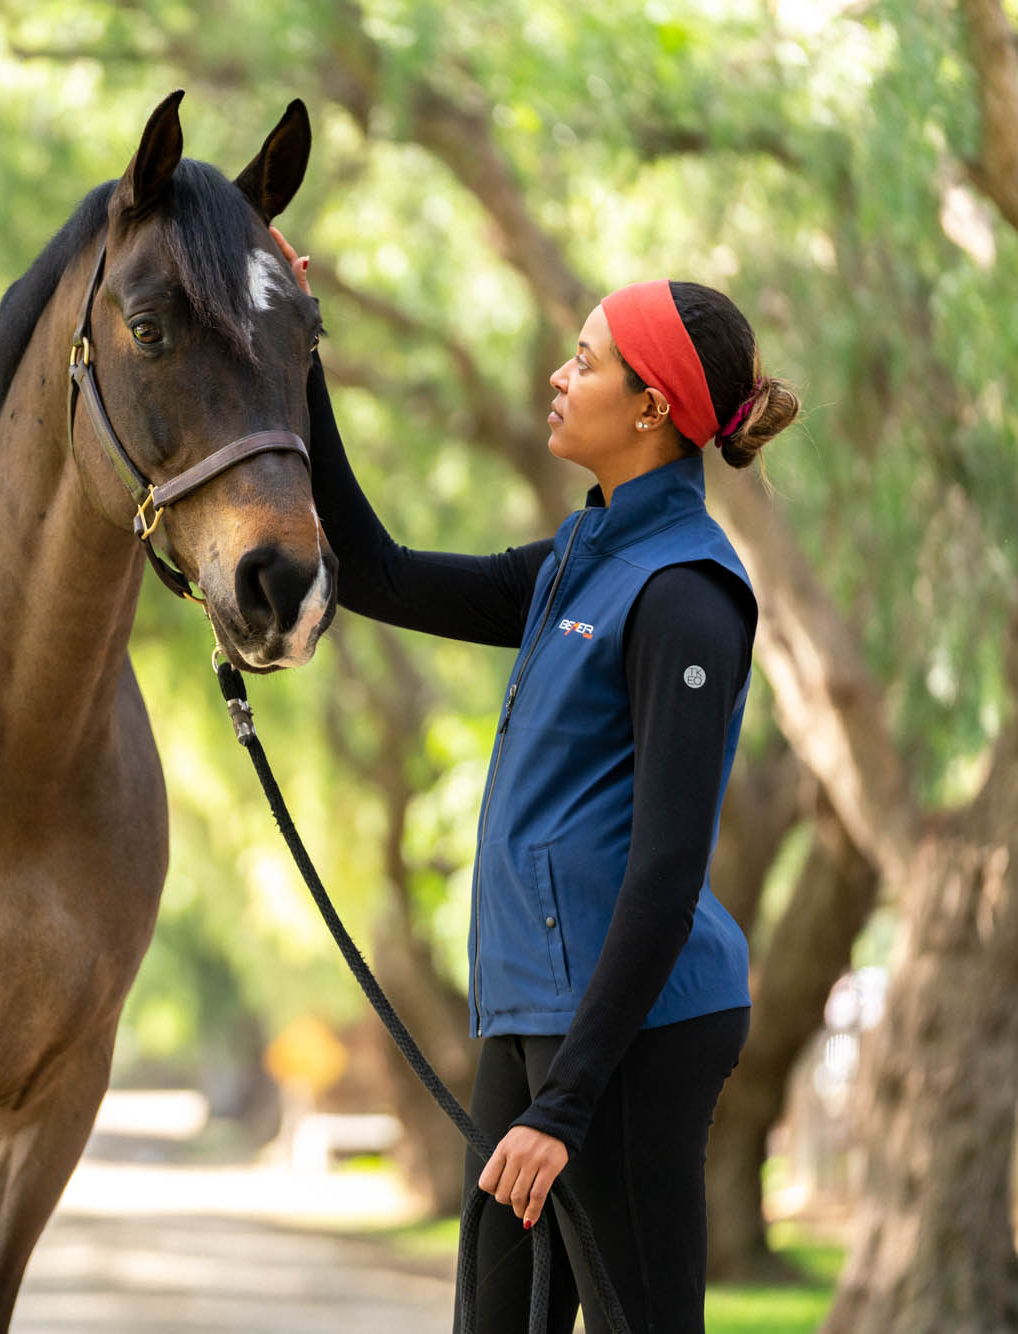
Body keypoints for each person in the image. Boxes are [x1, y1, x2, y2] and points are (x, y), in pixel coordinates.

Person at [267, 227, 799, 1334]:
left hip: (630, 1031)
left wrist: (565, 1105)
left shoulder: (685, 594)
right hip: (530, 1015)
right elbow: (372, 570)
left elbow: (664, 867)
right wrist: (298, 350)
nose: (558, 376)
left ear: (650, 407)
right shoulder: (575, 559)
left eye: (586, 359)